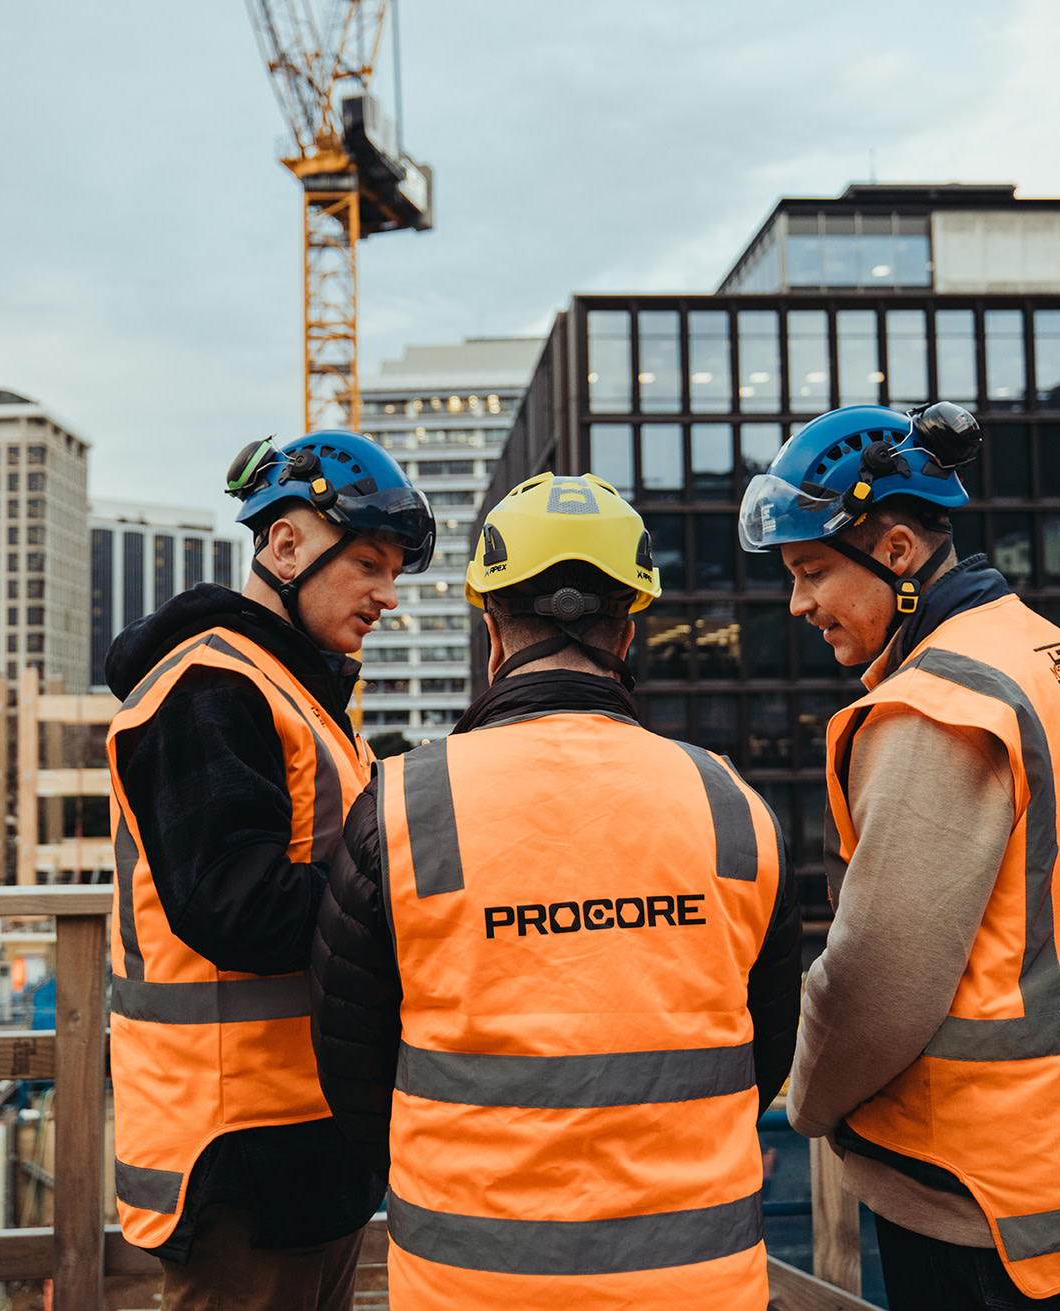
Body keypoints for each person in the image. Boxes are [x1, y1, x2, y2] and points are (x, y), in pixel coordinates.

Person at [738, 402, 1060, 1309]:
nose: (800, 604)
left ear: (897, 552)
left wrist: (807, 1097)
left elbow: (881, 974)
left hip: (971, 1178)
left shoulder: (939, 707)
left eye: (812, 570)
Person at [311, 472, 802, 1309]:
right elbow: (768, 1050)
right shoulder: (732, 805)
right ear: (629, 630)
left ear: (492, 629)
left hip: (472, 1277)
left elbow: (353, 1065)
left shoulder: (400, 807)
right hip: (694, 1277)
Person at [101, 431, 435, 1311]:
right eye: (368, 563)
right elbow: (233, 904)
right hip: (238, 1154)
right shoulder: (209, 687)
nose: (386, 595)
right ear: (284, 545)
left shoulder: (297, 695)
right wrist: (418, 902)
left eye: (394, 570)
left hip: (303, 1139)